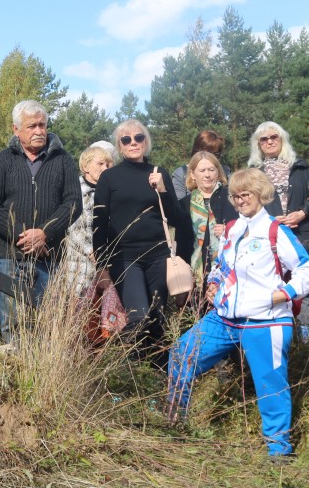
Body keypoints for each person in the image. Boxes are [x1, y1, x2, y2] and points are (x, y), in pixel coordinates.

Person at [167, 168, 309, 459]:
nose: (239, 200)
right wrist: (213, 283)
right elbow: (222, 264)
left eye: (245, 194)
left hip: (266, 321)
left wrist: (282, 294)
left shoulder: (276, 230)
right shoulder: (233, 228)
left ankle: (279, 451)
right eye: (235, 196)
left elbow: (306, 270)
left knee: (270, 386)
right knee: (181, 354)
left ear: (260, 193)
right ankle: (174, 426)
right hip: (224, 318)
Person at [92, 119, 194, 361]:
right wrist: (102, 267)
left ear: (146, 141)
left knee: (157, 317)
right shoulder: (109, 178)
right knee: (138, 316)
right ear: (119, 145)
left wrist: (162, 190)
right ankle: (130, 372)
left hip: (158, 255)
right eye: (126, 140)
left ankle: (158, 378)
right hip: (125, 257)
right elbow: (99, 224)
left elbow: (177, 220)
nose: (133, 143)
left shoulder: (159, 174)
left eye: (138, 138)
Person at [0, 100, 82, 342]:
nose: (39, 131)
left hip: (50, 254)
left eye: (42, 125)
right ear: (16, 130)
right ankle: (17, 374)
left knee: (49, 321)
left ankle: (46, 376)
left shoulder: (63, 160)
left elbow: (73, 203)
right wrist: (22, 235)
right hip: (9, 255)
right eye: (32, 126)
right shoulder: (1, 161)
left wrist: (45, 233)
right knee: (13, 323)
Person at [249, 121, 309, 340]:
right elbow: (248, 206)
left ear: (282, 139)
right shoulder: (254, 172)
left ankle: (306, 344)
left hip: (301, 236)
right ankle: (280, 339)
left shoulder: (300, 167)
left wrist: (302, 213)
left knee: (305, 288)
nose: (269, 141)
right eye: (264, 139)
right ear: (258, 144)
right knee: (272, 287)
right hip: (268, 238)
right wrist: (271, 221)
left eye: (274, 137)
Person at [59, 144, 113, 297]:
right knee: (81, 308)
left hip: (107, 261)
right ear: (86, 166)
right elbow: (72, 226)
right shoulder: (73, 189)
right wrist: (93, 251)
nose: (105, 168)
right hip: (79, 262)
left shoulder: (111, 191)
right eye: (100, 163)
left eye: (108, 164)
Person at [179, 151, 236, 275]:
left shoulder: (232, 198)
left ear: (218, 172)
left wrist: (230, 231)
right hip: (194, 272)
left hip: (228, 270)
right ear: (193, 174)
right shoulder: (184, 204)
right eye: (202, 170)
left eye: (211, 170)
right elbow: (181, 244)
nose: (207, 175)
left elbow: (245, 228)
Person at [171, 130, 229, 200]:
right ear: (196, 150)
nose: (209, 157)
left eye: (214, 154)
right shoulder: (181, 173)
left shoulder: (225, 171)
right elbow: (179, 205)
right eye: (206, 152)